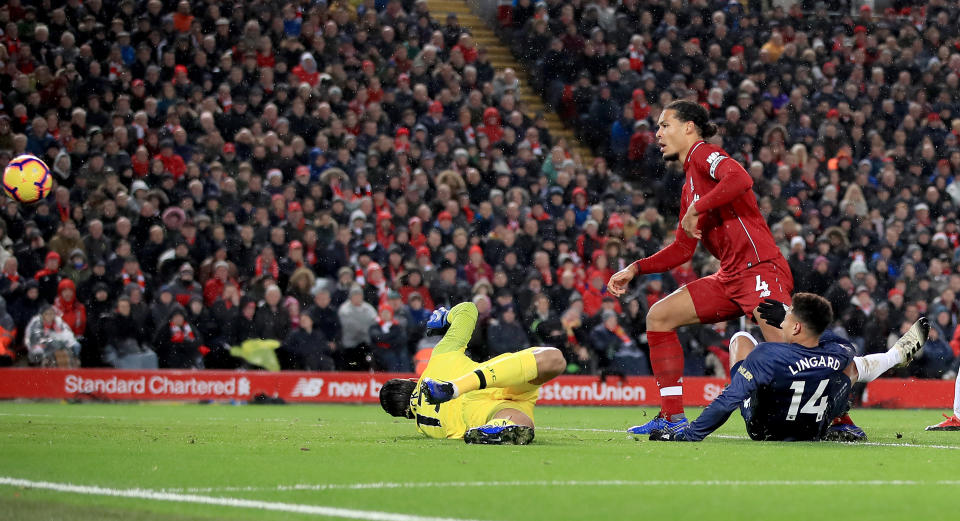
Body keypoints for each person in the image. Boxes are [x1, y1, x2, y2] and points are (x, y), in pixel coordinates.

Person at [608, 100, 800, 434]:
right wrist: (635, 268)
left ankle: (840, 416)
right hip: (730, 276)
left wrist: (699, 207)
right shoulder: (688, 187)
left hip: (760, 269)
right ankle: (671, 416)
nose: (658, 134)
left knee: (791, 351)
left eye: (665, 125)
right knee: (659, 316)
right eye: (657, 127)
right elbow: (683, 250)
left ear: (689, 128)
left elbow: (739, 177)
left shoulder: (703, 153)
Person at [649, 293, 928, 442]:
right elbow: (829, 340)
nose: (780, 324)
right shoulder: (839, 350)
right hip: (814, 430)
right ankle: (894, 357)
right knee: (853, 368)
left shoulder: (767, 354)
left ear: (796, 326)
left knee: (741, 340)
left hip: (766, 429)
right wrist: (789, 314)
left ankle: (892, 359)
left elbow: (728, 401)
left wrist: (690, 433)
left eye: (786, 319)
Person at [378, 302, 566, 444]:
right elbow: (468, 309)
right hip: (492, 378)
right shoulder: (439, 356)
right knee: (554, 359)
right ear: (411, 380)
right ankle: (454, 387)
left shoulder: (425, 428)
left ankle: (499, 426)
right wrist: (445, 317)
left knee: (521, 424)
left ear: (405, 415)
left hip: (475, 414)